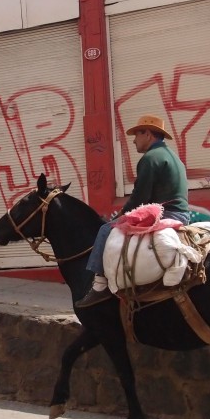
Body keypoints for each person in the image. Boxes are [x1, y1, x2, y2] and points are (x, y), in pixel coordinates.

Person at [75, 114, 190, 308]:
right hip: (182, 214)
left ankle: (100, 285)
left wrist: (119, 216)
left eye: (137, 134)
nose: (134, 140)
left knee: (105, 230)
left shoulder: (150, 158)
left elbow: (140, 198)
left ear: (147, 134)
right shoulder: (173, 157)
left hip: (166, 215)